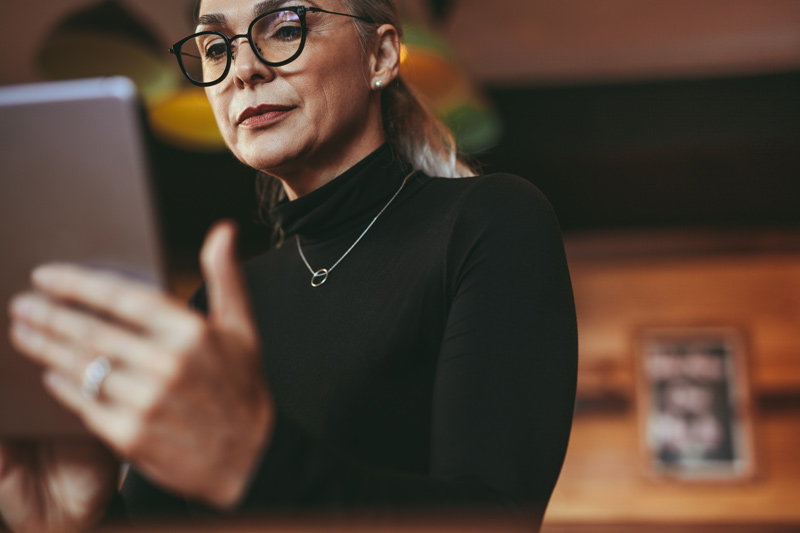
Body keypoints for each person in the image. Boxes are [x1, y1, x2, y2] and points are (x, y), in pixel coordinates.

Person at [1, 0, 578, 531]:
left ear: (379, 56)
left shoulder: (490, 221)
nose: (240, 70)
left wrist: (250, 464)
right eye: (216, 47)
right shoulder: (218, 305)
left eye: (285, 29)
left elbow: (496, 519)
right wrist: (81, 518)